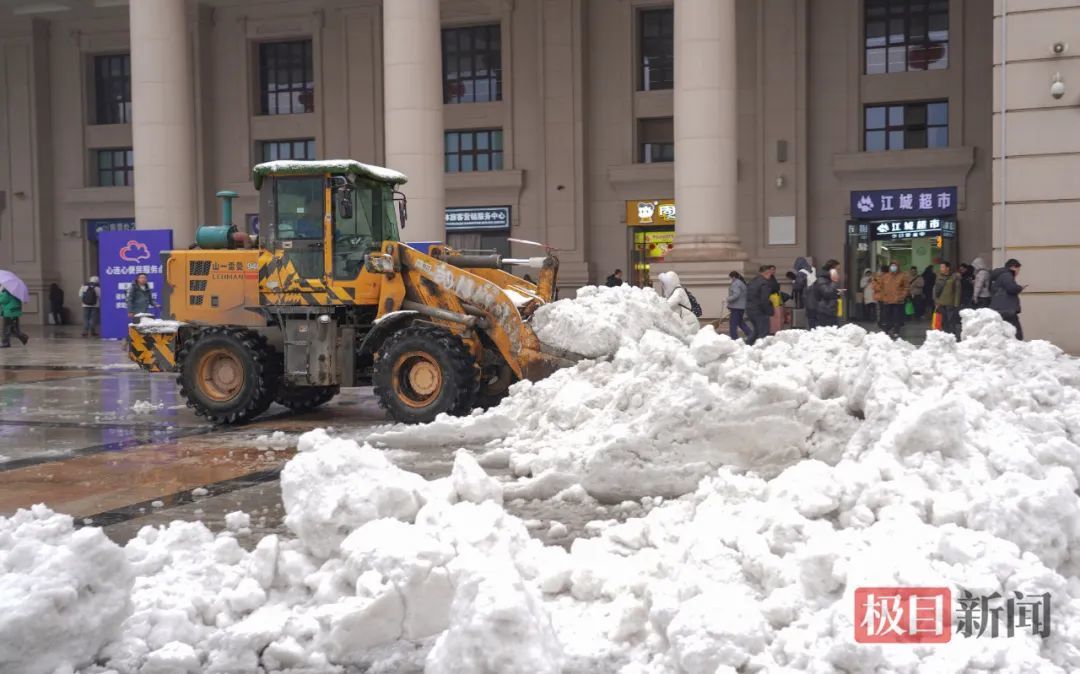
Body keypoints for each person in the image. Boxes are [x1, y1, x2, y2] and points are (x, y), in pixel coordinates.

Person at [872, 261, 910, 338]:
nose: (893, 267)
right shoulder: (886, 276)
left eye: (895, 266)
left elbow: (906, 287)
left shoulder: (902, 276)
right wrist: (875, 281)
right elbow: (880, 286)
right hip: (887, 300)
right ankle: (886, 330)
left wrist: (902, 296)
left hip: (898, 301)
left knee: (897, 316)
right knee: (886, 316)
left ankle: (896, 331)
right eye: (892, 266)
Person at [990, 258, 1025, 340]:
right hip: (1007, 309)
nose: (1018, 272)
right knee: (1016, 334)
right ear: (1013, 267)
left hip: (1001, 308)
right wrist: (1019, 288)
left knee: (1006, 332)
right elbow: (1011, 288)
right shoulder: (1007, 275)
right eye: (1018, 269)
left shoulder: (1000, 276)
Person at [745, 265, 775, 344]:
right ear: (768, 273)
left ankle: (747, 346)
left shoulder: (753, 281)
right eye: (771, 273)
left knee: (756, 331)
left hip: (750, 309)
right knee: (763, 332)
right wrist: (770, 311)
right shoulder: (765, 283)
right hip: (760, 311)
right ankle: (761, 350)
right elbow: (764, 300)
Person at [811, 260, 843, 327]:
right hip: (825, 311)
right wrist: (834, 282)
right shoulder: (822, 279)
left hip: (831, 310)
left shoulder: (828, 279)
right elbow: (827, 293)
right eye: (837, 270)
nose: (838, 272)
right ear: (831, 270)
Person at [933, 261, 961, 337]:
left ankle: (952, 335)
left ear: (947, 268)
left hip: (950, 303)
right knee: (943, 321)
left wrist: (956, 303)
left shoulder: (954, 277)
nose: (941, 269)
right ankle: (946, 335)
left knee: (951, 320)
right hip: (940, 302)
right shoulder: (938, 276)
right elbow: (935, 289)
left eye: (942, 267)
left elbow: (957, 290)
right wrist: (936, 301)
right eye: (940, 267)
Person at [726, 270, 752, 341]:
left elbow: (736, 295)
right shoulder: (741, 283)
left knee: (733, 323)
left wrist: (728, 299)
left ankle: (734, 337)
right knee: (740, 322)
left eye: (730, 278)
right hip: (741, 306)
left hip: (736, 307)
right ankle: (750, 333)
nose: (730, 279)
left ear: (733, 277)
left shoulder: (736, 284)